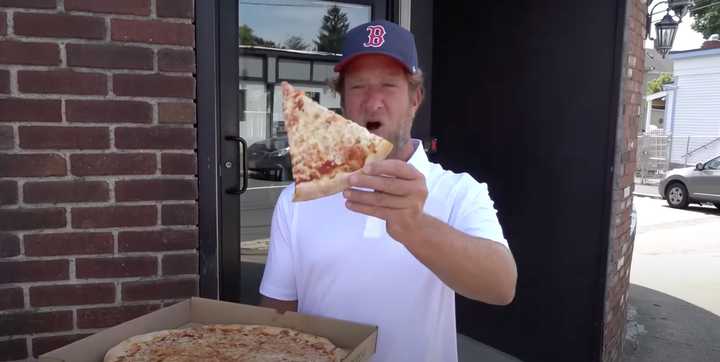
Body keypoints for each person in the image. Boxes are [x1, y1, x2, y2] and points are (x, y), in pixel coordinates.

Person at [259, 20, 517, 362]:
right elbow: (277, 313)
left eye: (389, 85)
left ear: (415, 98)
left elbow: (501, 286)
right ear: (342, 101)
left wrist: (414, 226)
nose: (373, 102)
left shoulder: (459, 191)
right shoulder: (299, 198)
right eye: (359, 86)